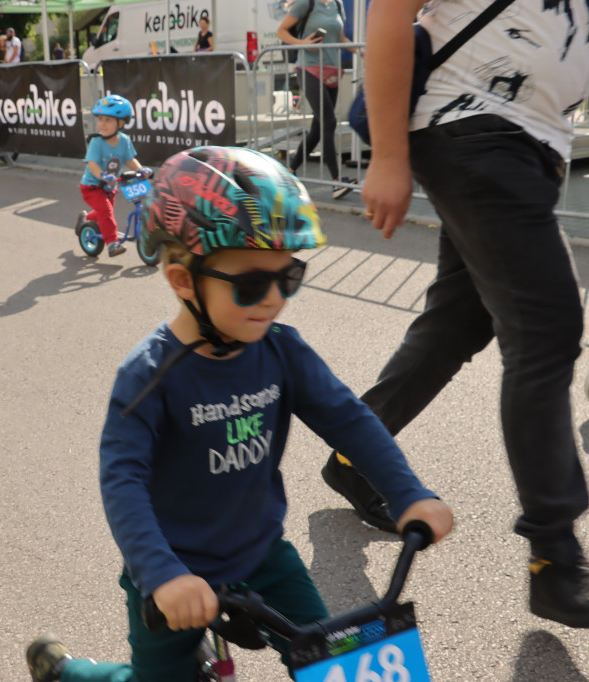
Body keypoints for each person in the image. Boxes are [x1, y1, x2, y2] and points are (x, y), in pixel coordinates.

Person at [25, 146, 454, 682]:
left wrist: (407, 492)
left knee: (337, 666)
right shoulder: (148, 376)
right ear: (184, 282)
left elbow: (350, 420)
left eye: (288, 277)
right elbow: (123, 481)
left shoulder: (282, 351)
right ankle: (70, 673)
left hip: (262, 556)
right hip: (173, 571)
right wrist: (161, 574)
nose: (275, 299)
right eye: (253, 283)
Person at [332, 0, 589, 629]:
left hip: (524, 140)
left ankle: (356, 453)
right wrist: (386, 154)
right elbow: (389, 9)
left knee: (458, 322)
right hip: (474, 124)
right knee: (547, 327)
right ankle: (556, 558)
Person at [276, 0, 357, 200]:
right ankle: (336, 181)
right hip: (309, 69)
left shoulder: (337, 5)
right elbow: (282, 31)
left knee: (318, 129)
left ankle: (290, 170)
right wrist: (303, 43)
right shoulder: (306, 3)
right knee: (329, 122)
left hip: (331, 71)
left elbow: (341, 38)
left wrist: (362, 51)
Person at [77, 94, 150, 258]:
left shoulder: (124, 141)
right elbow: (92, 164)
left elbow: (130, 160)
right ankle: (112, 243)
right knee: (106, 211)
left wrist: (141, 169)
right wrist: (102, 175)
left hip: (110, 187)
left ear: (121, 123)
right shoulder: (97, 142)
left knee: (102, 213)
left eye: (108, 120)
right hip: (92, 187)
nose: (102, 124)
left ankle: (84, 220)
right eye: (100, 119)